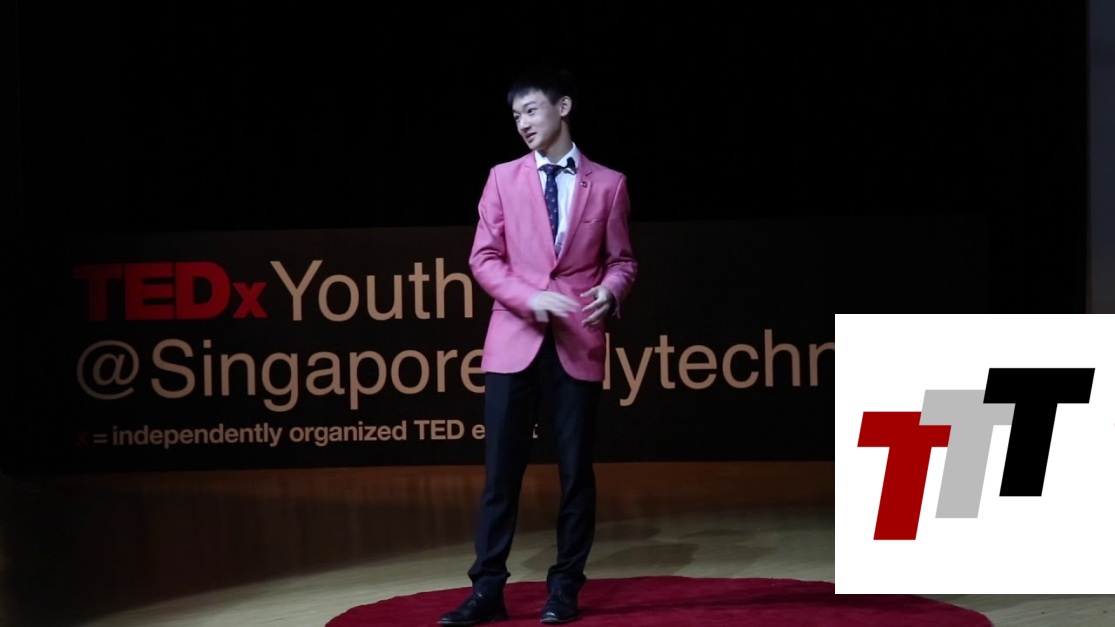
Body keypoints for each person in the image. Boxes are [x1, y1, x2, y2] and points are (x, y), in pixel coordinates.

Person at [438, 66, 638, 625]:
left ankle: (565, 586)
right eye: (516, 116)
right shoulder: (502, 178)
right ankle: (487, 590)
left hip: (578, 339)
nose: (523, 123)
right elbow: (483, 258)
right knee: (501, 474)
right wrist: (529, 298)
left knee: (575, 472)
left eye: (531, 110)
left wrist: (611, 291)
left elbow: (622, 261)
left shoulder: (609, 183)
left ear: (563, 107)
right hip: (515, 340)